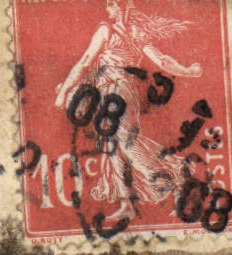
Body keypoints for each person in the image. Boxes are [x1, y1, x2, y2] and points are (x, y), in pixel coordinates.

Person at [53, 0, 203, 224]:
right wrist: (187, 71)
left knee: (127, 144)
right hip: (117, 91)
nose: (108, 9)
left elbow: (85, 61)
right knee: (115, 147)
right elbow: (162, 60)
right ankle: (127, 205)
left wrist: (63, 92)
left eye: (112, 4)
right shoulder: (136, 32)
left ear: (123, 6)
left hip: (116, 92)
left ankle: (176, 178)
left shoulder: (108, 30)